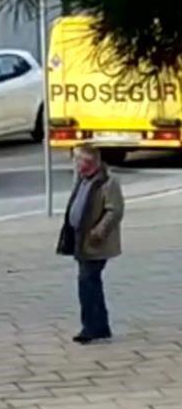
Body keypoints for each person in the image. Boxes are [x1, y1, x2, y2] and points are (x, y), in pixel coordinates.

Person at [55, 143, 124, 344]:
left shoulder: (108, 183)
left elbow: (115, 211)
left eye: (79, 160)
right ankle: (100, 326)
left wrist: (99, 232)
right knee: (90, 282)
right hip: (80, 239)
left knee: (87, 282)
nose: (75, 164)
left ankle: (91, 327)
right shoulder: (82, 179)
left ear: (90, 162)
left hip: (96, 242)